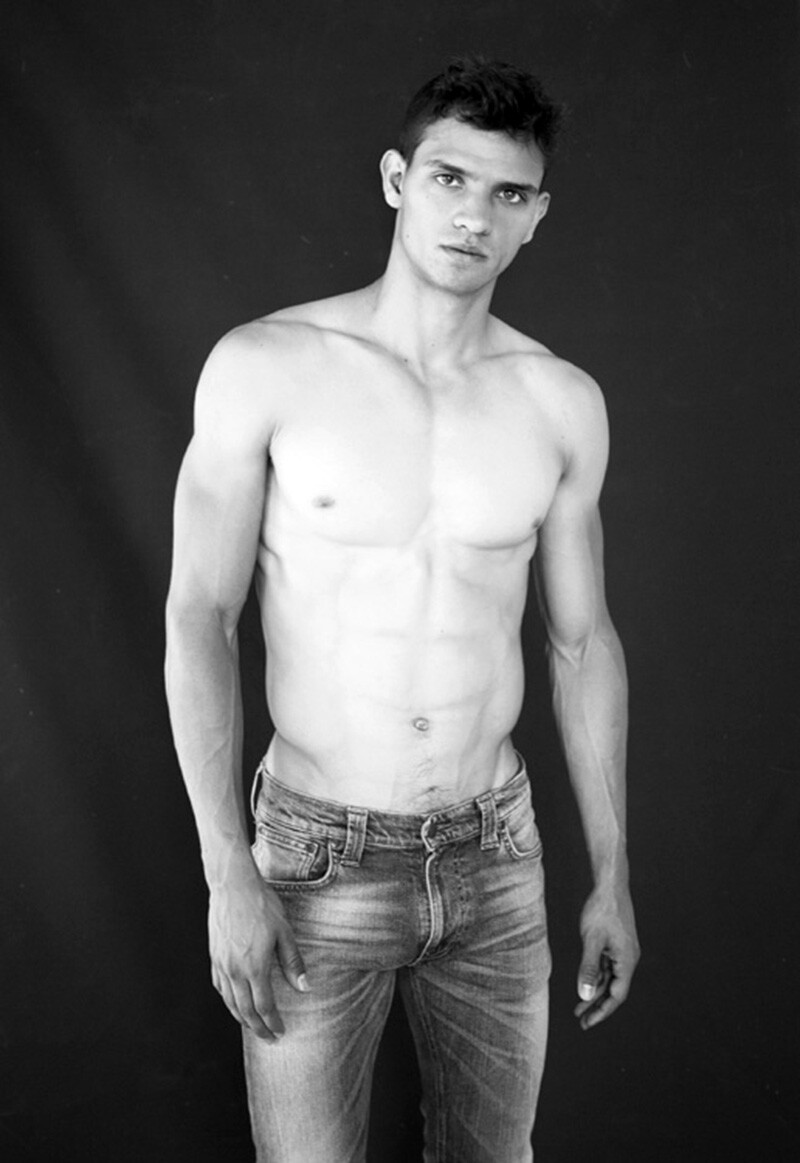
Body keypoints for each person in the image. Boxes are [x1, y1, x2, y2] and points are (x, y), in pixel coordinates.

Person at [165, 56, 639, 1163]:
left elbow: (581, 643)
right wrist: (226, 867)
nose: (474, 216)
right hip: (313, 857)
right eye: (449, 179)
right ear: (395, 179)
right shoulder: (267, 366)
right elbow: (199, 616)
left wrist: (612, 872)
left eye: (508, 194)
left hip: (495, 853)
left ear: (536, 217)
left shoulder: (560, 403)